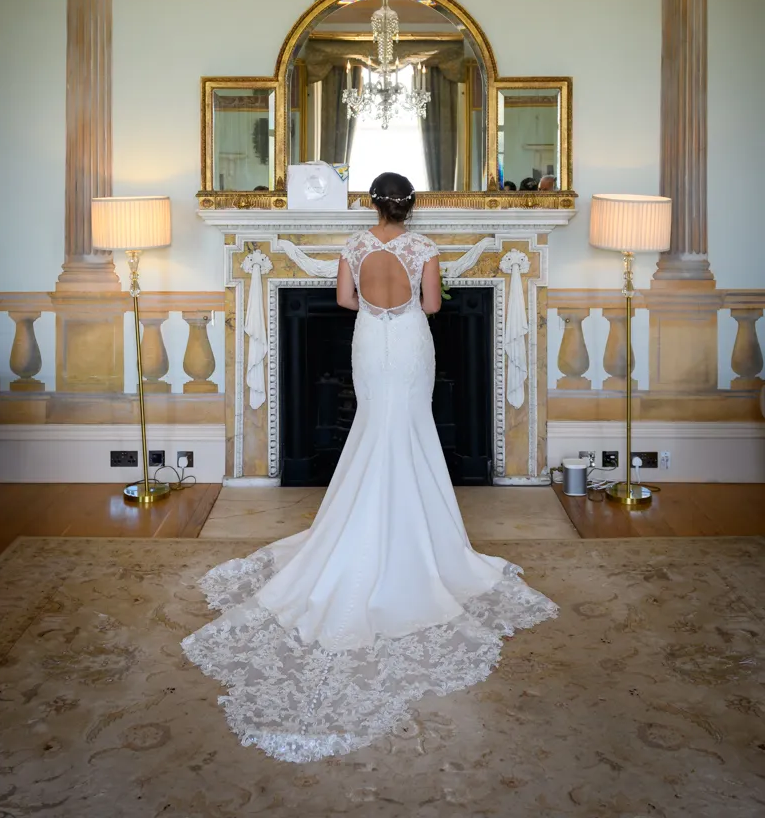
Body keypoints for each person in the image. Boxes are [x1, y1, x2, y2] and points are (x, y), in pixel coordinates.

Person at [182, 171, 557, 762]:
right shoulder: (424, 248)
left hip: (367, 341)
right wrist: (407, 303)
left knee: (371, 427)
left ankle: (358, 526)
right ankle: (418, 537)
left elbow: (342, 301)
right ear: (412, 207)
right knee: (410, 428)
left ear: (373, 205)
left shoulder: (354, 247)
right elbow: (432, 305)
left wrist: (374, 308)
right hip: (408, 342)